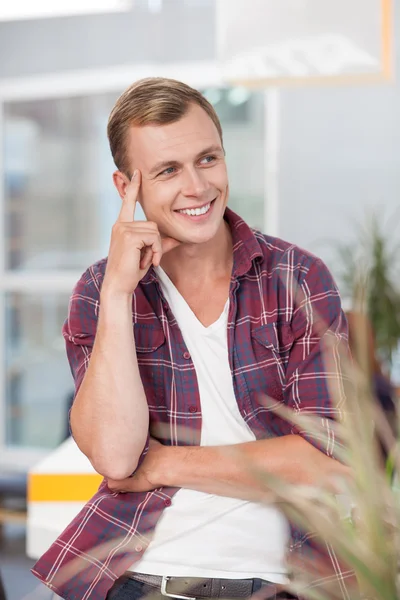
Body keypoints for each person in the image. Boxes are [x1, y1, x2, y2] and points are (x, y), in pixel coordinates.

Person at [32, 78, 355, 600]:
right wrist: (118, 295)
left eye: (208, 159)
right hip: (138, 574)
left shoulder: (297, 277)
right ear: (126, 188)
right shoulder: (99, 291)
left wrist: (160, 462)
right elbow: (116, 459)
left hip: (284, 579)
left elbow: (323, 469)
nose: (197, 187)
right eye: (167, 170)